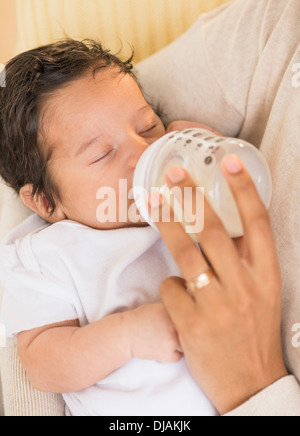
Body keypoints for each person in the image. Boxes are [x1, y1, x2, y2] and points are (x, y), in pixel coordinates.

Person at [0, 39, 221, 416]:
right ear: (47, 203)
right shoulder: (48, 254)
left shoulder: (180, 198)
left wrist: (206, 152)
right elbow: (42, 363)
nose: (143, 152)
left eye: (147, 126)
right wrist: (127, 335)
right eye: (102, 153)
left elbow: (242, 210)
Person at [135, 0, 300, 416]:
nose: (140, 150)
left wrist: (254, 387)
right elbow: (55, 118)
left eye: (148, 128)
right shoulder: (279, 30)